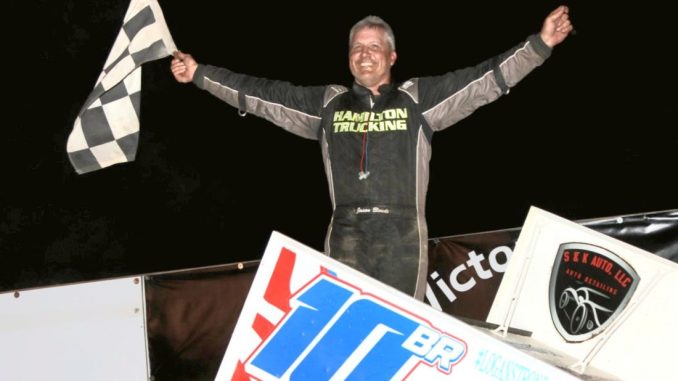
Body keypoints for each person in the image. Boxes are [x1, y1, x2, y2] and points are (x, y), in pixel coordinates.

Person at [171, 6, 573, 300]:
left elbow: (486, 79)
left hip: (404, 237)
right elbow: (260, 94)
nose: (365, 54)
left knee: (401, 331)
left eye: (375, 46)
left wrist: (539, 45)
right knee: (347, 330)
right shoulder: (328, 103)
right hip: (346, 235)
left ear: (391, 56)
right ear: (349, 57)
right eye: (357, 48)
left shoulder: (417, 99)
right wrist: (201, 74)